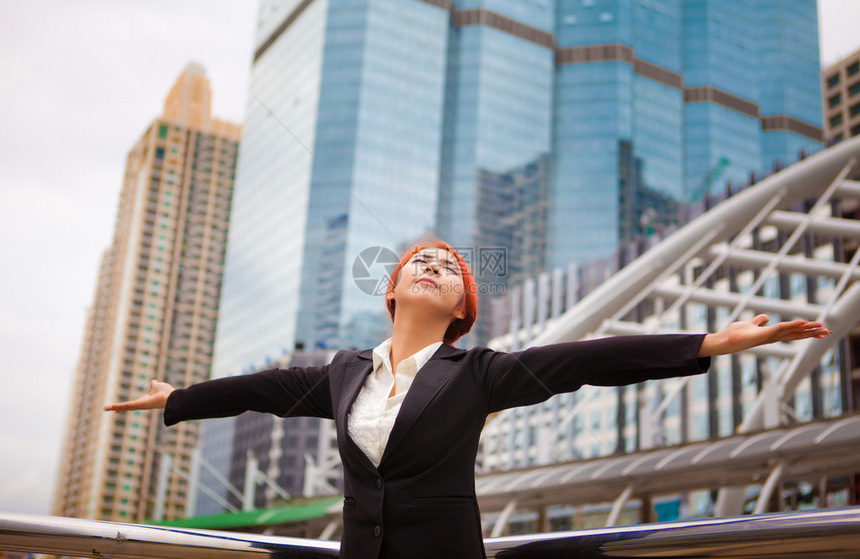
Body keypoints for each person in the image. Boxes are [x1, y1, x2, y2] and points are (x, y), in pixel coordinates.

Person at [105, 240, 830, 559]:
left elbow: (585, 360)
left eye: (448, 267)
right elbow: (258, 391)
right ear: (391, 290)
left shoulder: (479, 373)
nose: (432, 266)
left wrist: (710, 342)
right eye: (419, 261)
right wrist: (181, 398)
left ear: (461, 308)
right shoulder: (342, 372)